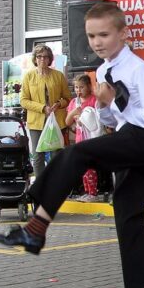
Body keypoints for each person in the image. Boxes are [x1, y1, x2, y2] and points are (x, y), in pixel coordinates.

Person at [0, 1, 144, 288]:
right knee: (128, 219)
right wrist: (106, 105)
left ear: (122, 33)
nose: (96, 42)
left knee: (73, 155)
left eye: (104, 34)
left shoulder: (138, 69)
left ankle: (36, 230)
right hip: (127, 138)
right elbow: (110, 119)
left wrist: (115, 98)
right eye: (91, 35)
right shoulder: (105, 71)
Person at [21, 44, 71, 177]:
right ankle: (40, 187)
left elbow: (67, 98)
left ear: (50, 59)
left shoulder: (58, 76)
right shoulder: (28, 76)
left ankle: (54, 185)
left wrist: (58, 104)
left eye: (46, 57)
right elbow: (24, 100)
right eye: (39, 56)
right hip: (36, 122)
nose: (42, 59)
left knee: (56, 155)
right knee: (38, 156)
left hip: (56, 121)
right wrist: (42, 108)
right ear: (35, 59)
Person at [64, 74, 101, 202]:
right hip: (80, 138)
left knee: (90, 166)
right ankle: (86, 191)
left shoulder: (94, 100)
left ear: (89, 87)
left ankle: (93, 192)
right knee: (82, 166)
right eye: (76, 87)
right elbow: (67, 122)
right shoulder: (74, 102)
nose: (79, 90)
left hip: (92, 137)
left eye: (82, 87)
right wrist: (74, 112)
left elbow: (99, 119)